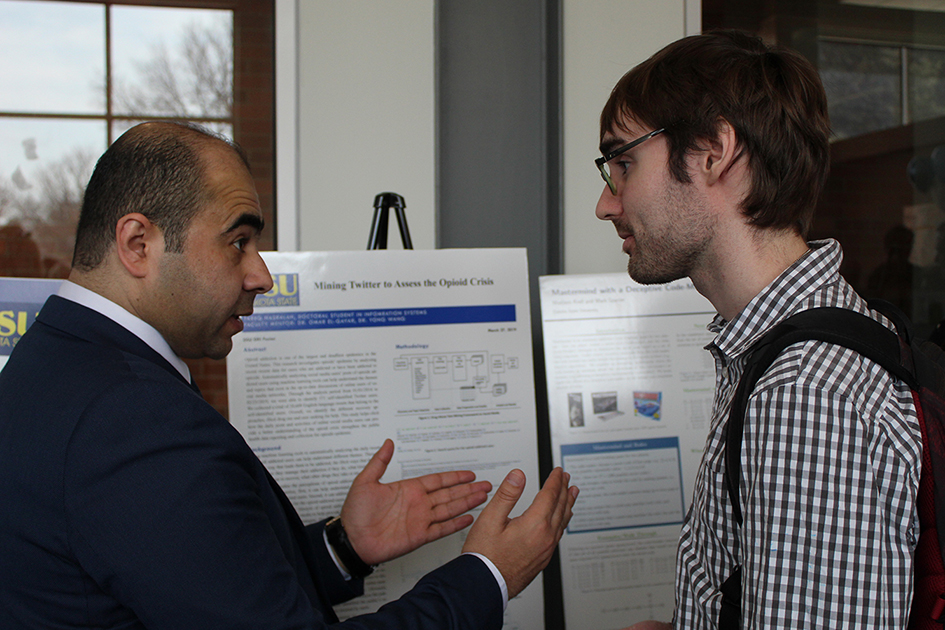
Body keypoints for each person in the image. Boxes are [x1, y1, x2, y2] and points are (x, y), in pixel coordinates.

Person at [0, 121, 578, 629]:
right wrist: (489, 575)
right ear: (138, 243)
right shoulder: (134, 420)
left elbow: (187, 588)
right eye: (239, 241)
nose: (261, 275)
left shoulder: (55, 360)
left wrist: (344, 548)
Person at [593, 31, 918, 628]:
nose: (605, 204)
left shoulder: (806, 394)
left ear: (714, 151)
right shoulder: (784, 348)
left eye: (622, 162)